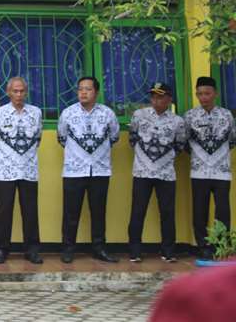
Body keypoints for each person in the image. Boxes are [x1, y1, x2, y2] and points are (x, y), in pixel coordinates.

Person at [57, 76, 120, 264]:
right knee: (71, 212)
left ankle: (99, 248)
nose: (83, 92)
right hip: (74, 171)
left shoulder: (108, 114)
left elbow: (114, 137)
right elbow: (62, 137)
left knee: (98, 212)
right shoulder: (68, 113)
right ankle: (68, 249)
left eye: (88, 89)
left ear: (96, 92)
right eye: (80, 89)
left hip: (99, 171)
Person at [127, 82, 186, 263]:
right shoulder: (139, 115)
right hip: (142, 172)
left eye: (160, 96)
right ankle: (135, 250)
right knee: (138, 210)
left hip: (166, 173)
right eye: (153, 96)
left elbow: (180, 145)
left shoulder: (178, 121)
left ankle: (168, 250)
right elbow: (132, 138)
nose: (156, 100)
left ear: (169, 99)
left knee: (167, 212)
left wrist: (163, 160)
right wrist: (145, 160)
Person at [0, 77, 43, 264]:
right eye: (15, 91)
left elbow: (37, 139)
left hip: (28, 169)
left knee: (30, 211)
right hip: (5, 170)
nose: (19, 95)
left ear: (26, 92)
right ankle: (1, 249)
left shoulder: (35, 113)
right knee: (4, 211)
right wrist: (8, 157)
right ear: (8, 92)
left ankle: (32, 249)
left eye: (22, 91)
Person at [184, 76, 236, 260]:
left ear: (215, 94)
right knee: (200, 210)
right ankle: (202, 245)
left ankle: (221, 245)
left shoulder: (226, 115)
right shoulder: (190, 116)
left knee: (222, 210)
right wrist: (202, 157)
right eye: (199, 94)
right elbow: (185, 142)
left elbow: (231, 141)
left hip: (221, 171)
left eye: (207, 93)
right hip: (199, 171)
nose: (203, 97)